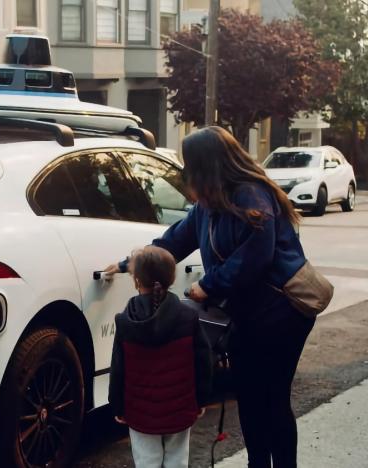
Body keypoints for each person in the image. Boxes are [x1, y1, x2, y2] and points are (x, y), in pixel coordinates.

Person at [105, 126, 315, 468]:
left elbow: (255, 257)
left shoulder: (252, 196)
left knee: (272, 398)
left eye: (190, 163)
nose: (187, 172)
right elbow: (173, 242)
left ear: (208, 164)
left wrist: (208, 285)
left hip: (282, 313)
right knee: (248, 397)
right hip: (246, 315)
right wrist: (130, 263)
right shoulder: (208, 205)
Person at [109, 245, 212, 468]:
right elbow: (203, 362)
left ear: (136, 280)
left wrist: (118, 406)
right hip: (180, 409)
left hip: (140, 413)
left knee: (147, 461)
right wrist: (201, 399)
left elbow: (118, 368)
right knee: (177, 460)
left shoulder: (126, 321)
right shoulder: (188, 316)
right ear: (172, 278)